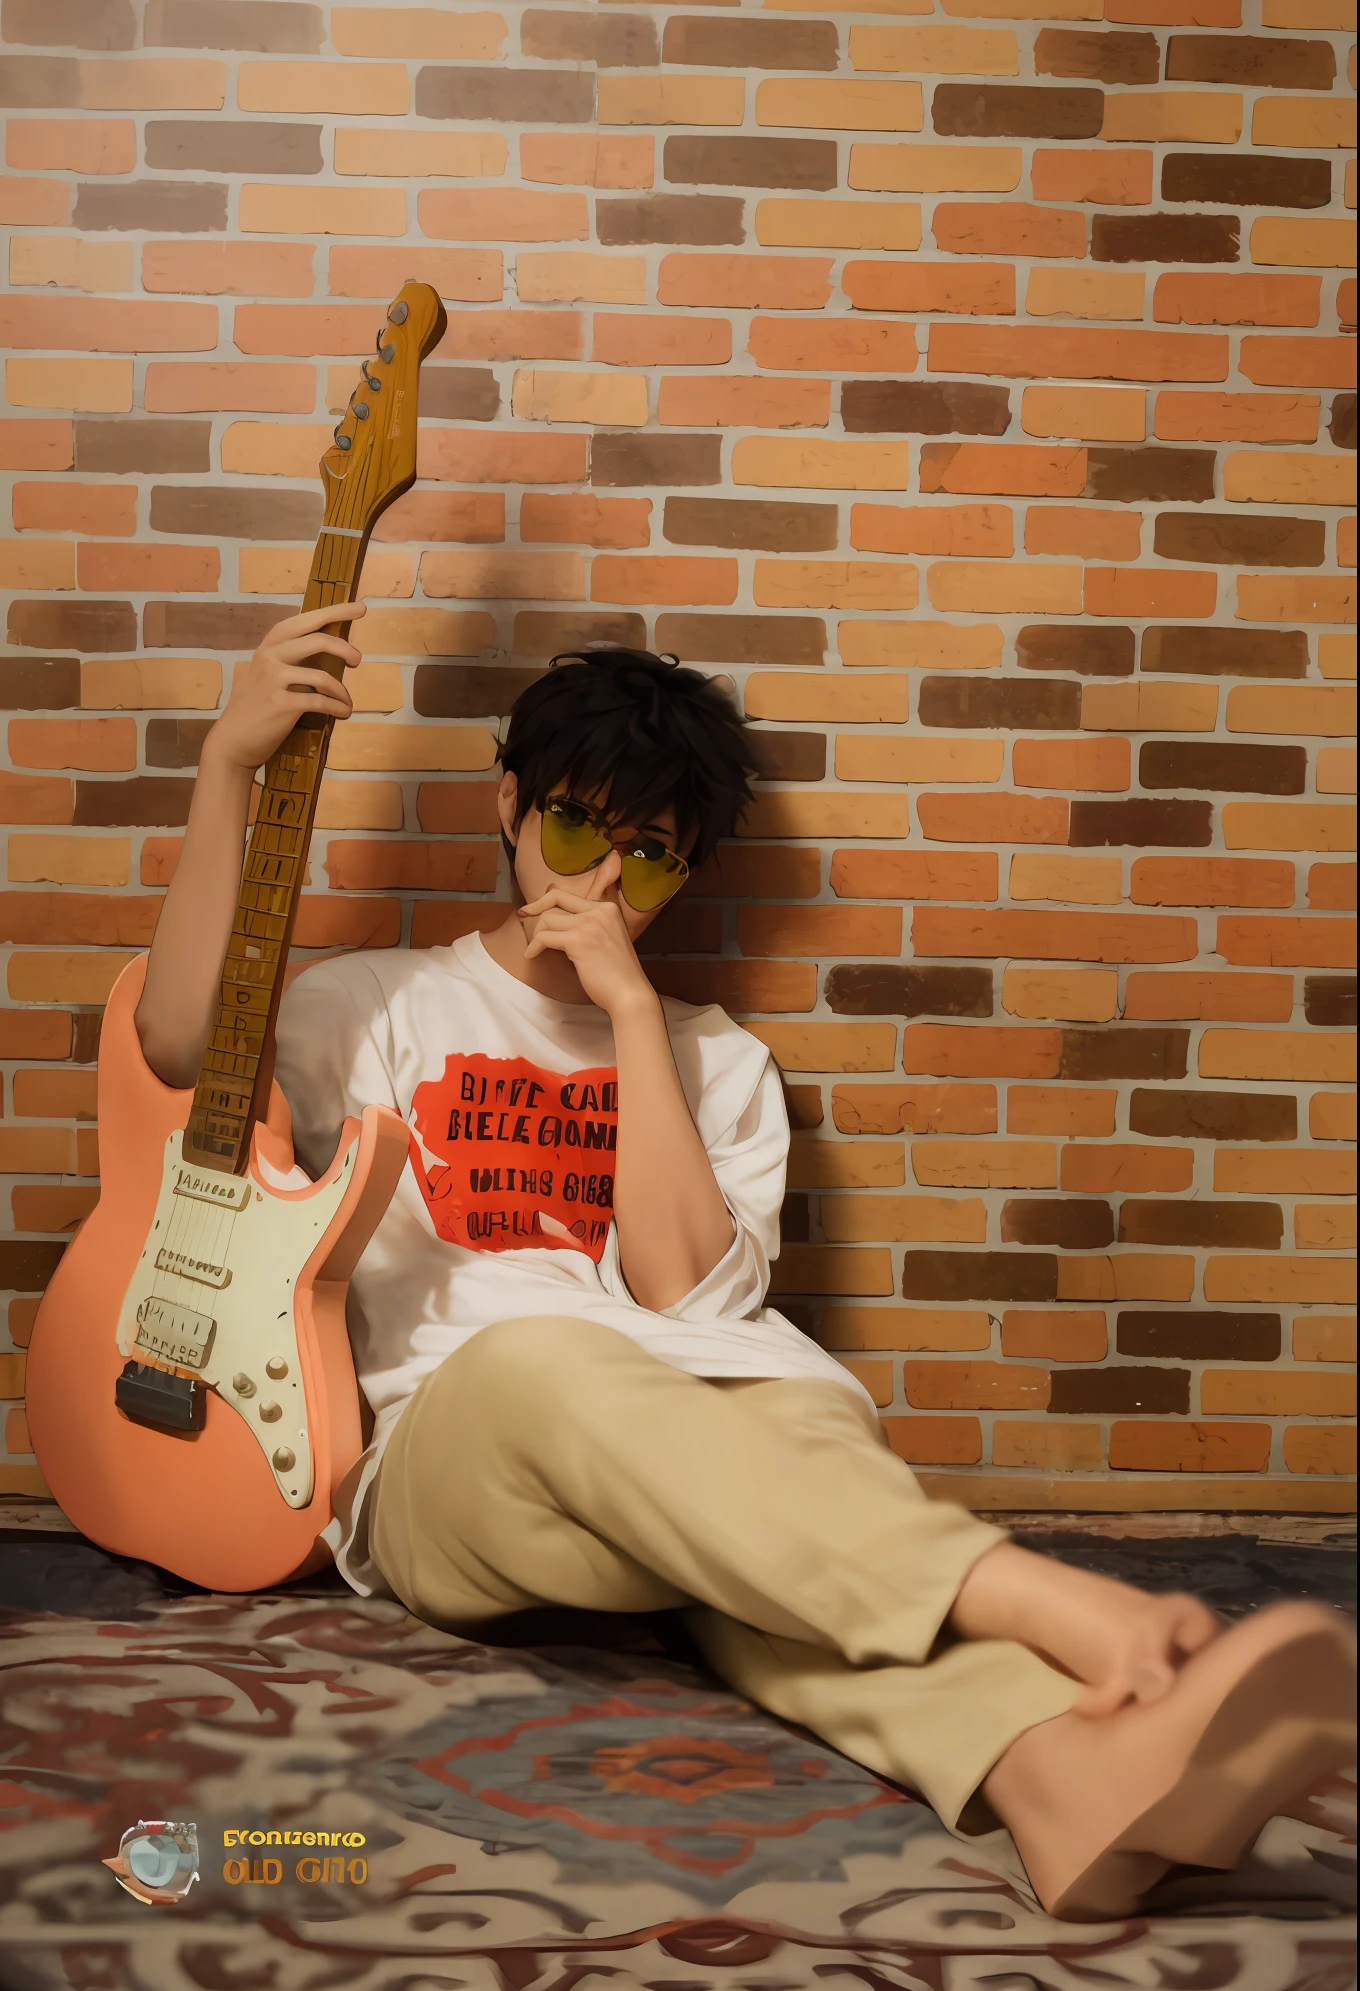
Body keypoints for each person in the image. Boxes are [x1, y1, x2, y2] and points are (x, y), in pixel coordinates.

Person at [136, 598, 1356, 1923]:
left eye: (650, 858)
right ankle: (1046, 1601)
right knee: (547, 1362)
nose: (603, 885)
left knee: (792, 1436)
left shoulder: (716, 1061)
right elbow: (181, 1047)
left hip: (715, 1456)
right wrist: (227, 766)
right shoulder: (374, 1002)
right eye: (576, 830)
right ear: (510, 806)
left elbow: (688, 1300)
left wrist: (629, 1014)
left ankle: (1060, 1783)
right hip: (468, 1465)